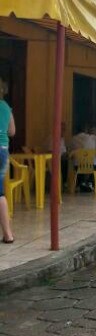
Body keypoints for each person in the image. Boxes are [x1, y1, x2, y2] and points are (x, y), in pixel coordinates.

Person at [0, 79, 15, 243]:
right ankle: (8, 234)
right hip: (3, 150)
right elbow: (12, 131)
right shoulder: (6, 108)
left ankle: (8, 234)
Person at [70, 125, 96, 192]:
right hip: (91, 166)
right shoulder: (91, 138)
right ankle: (89, 183)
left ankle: (81, 183)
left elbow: (70, 153)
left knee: (78, 167)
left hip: (77, 166)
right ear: (86, 130)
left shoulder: (73, 139)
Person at [47, 121, 68, 186]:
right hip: (53, 160)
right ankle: (62, 184)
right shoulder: (52, 138)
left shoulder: (62, 139)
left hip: (61, 159)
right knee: (65, 161)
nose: (63, 131)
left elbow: (64, 151)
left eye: (64, 129)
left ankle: (65, 183)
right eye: (62, 129)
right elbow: (50, 152)